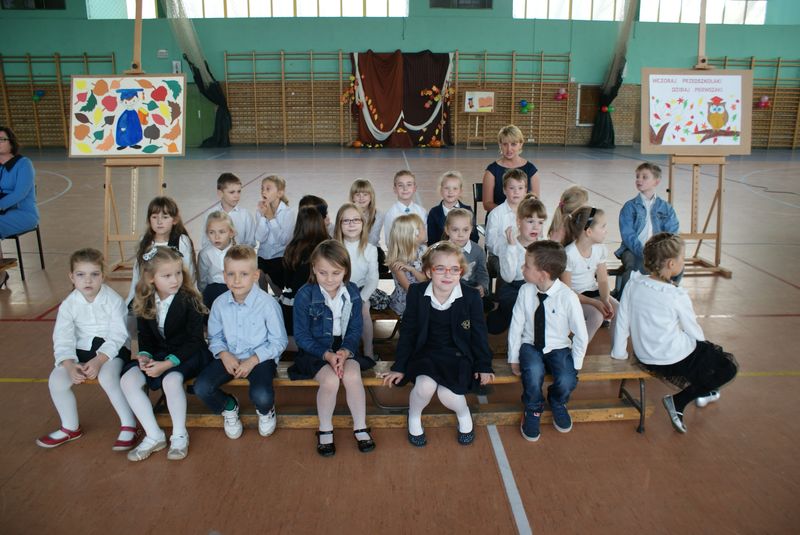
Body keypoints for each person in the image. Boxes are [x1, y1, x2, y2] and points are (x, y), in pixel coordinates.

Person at [612, 233, 738, 433]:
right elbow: (693, 330)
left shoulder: (633, 283)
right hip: (671, 358)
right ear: (671, 264)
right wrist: (706, 351)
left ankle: (705, 390)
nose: (683, 262)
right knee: (727, 367)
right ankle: (679, 401)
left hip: (645, 356)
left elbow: (622, 321)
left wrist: (619, 353)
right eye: (682, 258)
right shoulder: (676, 295)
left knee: (705, 362)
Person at [383, 241, 494, 447]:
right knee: (424, 387)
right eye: (440, 268)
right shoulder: (417, 293)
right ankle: (414, 416)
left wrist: (483, 365)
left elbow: (479, 334)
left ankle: (463, 414)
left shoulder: (470, 296)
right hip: (426, 352)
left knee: (448, 394)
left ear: (461, 272)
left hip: (458, 355)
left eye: (454, 269)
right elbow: (408, 333)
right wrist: (399, 366)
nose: (447, 274)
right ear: (428, 271)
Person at [36, 248, 137, 450]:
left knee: (107, 377)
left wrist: (99, 360)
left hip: (113, 351)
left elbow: (118, 335)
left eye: (94, 274)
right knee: (56, 380)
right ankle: (70, 427)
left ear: (103, 276)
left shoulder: (114, 300)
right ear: (72, 277)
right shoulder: (68, 305)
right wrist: (69, 365)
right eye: (81, 275)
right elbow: (62, 337)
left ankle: (129, 425)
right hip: (80, 351)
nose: (88, 280)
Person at [121, 246, 211, 462]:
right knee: (127, 380)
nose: (175, 280)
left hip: (188, 355)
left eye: (178, 273)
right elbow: (145, 335)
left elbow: (195, 340)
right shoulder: (145, 299)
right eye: (167, 276)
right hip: (159, 354)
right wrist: (144, 355)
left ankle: (179, 434)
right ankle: (154, 434)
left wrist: (167, 364)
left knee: (171, 381)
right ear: (151, 278)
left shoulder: (190, 299)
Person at [289, 240, 376, 456]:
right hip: (314, 349)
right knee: (330, 380)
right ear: (314, 269)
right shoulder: (304, 295)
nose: (329, 279)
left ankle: (360, 426)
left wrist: (345, 351)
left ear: (345, 270)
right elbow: (301, 336)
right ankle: (325, 428)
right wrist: (327, 355)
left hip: (342, 346)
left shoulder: (352, 292)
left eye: (336, 273)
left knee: (352, 375)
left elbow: (355, 329)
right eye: (323, 273)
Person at [194, 245, 288, 440]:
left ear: (255, 276)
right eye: (231, 274)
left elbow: (279, 341)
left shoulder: (268, 304)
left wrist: (253, 360)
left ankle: (266, 411)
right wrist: (224, 354)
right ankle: (229, 406)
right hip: (230, 356)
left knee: (261, 395)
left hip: (260, 358)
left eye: (244, 274)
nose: (237, 280)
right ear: (224, 276)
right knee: (202, 387)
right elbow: (215, 338)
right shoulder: (219, 304)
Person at [508, 240, 588, 442]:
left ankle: (558, 401)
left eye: (527, 266)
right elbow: (516, 326)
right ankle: (533, 409)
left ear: (543, 274)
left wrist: (576, 363)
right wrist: (513, 357)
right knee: (533, 372)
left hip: (558, 347)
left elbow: (581, 334)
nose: (522, 268)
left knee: (567, 379)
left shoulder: (568, 297)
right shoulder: (525, 291)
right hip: (530, 345)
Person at [615, 162, 679, 297]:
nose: (639, 180)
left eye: (644, 177)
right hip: (633, 250)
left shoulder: (666, 208)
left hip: (658, 251)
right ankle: (623, 299)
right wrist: (644, 252)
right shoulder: (629, 207)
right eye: (637, 176)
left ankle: (668, 297)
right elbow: (628, 235)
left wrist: (661, 251)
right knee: (634, 268)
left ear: (656, 181)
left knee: (677, 266)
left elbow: (672, 233)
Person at [487, 196, 546, 334]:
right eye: (530, 221)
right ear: (518, 221)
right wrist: (512, 248)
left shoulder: (543, 245)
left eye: (540, 222)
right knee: (499, 323)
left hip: (536, 288)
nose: (536, 227)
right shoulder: (509, 245)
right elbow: (508, 277)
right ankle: (504, 316)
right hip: (514, 288)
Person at [561, 206, 618, 344]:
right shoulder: (569, 254)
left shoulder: (600, 249)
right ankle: (575, 347)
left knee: (619, 310)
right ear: (589, 231)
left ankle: (617, 348)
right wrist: (595, 303)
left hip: (593, 292)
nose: (606, 230)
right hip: (574, 297)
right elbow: (568, 291)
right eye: (603, 226)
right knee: (596, 316)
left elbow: (603, 280)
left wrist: (605, 299)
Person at [126, 196, 196, 306]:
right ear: (149, 220)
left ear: (174, 220)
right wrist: (131, 298)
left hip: (175, 292)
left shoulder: (182, 241)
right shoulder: (145, 241)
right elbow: (137, 274)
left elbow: (189, 273)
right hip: (150, 293)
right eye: (154, 217)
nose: (159, 222)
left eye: (165, 217)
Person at [334, 203, 379, 361]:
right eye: (346, 221)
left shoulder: (370, 249)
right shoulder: (335, 248)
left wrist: (361, 298)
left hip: (361, 290)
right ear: (339, 224)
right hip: (337, 288)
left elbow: (373, 279)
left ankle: (368, 350)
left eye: (356, 220)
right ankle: (339, 348)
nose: (351, 224)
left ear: (362, 223)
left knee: (364, 310)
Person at [279, 206, 329, 335]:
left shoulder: (292, 248)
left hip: (294, 304)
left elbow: (286, 282)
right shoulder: (327, 246)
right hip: (322, 304)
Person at [0, 126, 39, 287]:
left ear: (11, 142)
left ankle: (1, 274)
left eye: (2, 139)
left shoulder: (24, 164)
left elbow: (19, 194)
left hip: (23, 214)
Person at [482, 125, 539, 212]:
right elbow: (487, 204)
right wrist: (508, 213)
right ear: (500, 145)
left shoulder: (531, 170)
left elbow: (535, 203)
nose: (509, 149)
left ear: (521, 144)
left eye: (513, 144)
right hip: (498, 216)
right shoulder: (491, 171)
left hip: (523, 216)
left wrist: (520, 215)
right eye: (505, 144)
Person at [255, 174, 295, 294]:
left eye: (268, 189)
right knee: (260, 275)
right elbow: (260, 238)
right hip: (262, 256)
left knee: (273, 281)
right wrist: (263, 216)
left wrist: (271, 218)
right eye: (262, 188)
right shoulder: (260, 211)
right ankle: (263, 299)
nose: (263, 191)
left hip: (280, 257)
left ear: (279, 193)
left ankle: (280, 299)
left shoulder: (288, 212)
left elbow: (284, 240)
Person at [386, 213, 427, 316]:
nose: (425, 230)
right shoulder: (396, 261)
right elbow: (409, 290)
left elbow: (425, 279)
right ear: (415, 234)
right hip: (407, 302)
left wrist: (412, 269)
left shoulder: (423, 250)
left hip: (424, 294)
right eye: (423, 228)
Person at [200, 172, 256, 249]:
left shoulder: (246, 215)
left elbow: (250, 243)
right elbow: (206, 242)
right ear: (220, 193)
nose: (236, 196)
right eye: (232, 192)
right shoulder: (210, 214)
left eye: (239, 191)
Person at [444, 208, 488, 298]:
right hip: (447, 291)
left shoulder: (478, 251)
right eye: (455, 230)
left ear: (471, 229)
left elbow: (482, 273)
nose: (461, 234)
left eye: (465, 230)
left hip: (470, 291)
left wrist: (482, 286)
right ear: (447, 230)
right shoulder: (440, 251)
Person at [426, 170, 478, 246]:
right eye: (446, 188)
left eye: (455, 188)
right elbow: (432, 240)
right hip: (441, 251)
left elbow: (474, 237)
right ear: (441, 190)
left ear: (460, 191)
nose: (450, 191)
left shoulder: (467, 210)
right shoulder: (434, 212)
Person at [485, 168, 528, 257]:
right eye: (512, 188)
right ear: (504, 190)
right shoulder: (495, 214)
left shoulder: (530, 212)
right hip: (501, 256)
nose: (516, 192)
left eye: (520, 188)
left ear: (525, 191)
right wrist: (509, 249)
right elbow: (490, 243)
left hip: (526, 255)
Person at [198, 210, 236, 309]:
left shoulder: (237, 251)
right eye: (212, 232)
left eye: (222, 232)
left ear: (231, 233)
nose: (217, 237)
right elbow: (202, 279)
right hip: (213, 292)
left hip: (235, 289)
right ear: (207, 234)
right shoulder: (205, 254)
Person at [383, 170, 427, 249]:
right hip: (400, 254)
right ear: (395, 189)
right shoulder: (390, 214)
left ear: (415, 188)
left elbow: (425, 238)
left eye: (409, 185)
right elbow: (389, 242)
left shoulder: (421, 211)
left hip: (420, 254)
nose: (405, 188)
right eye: (400, 185)